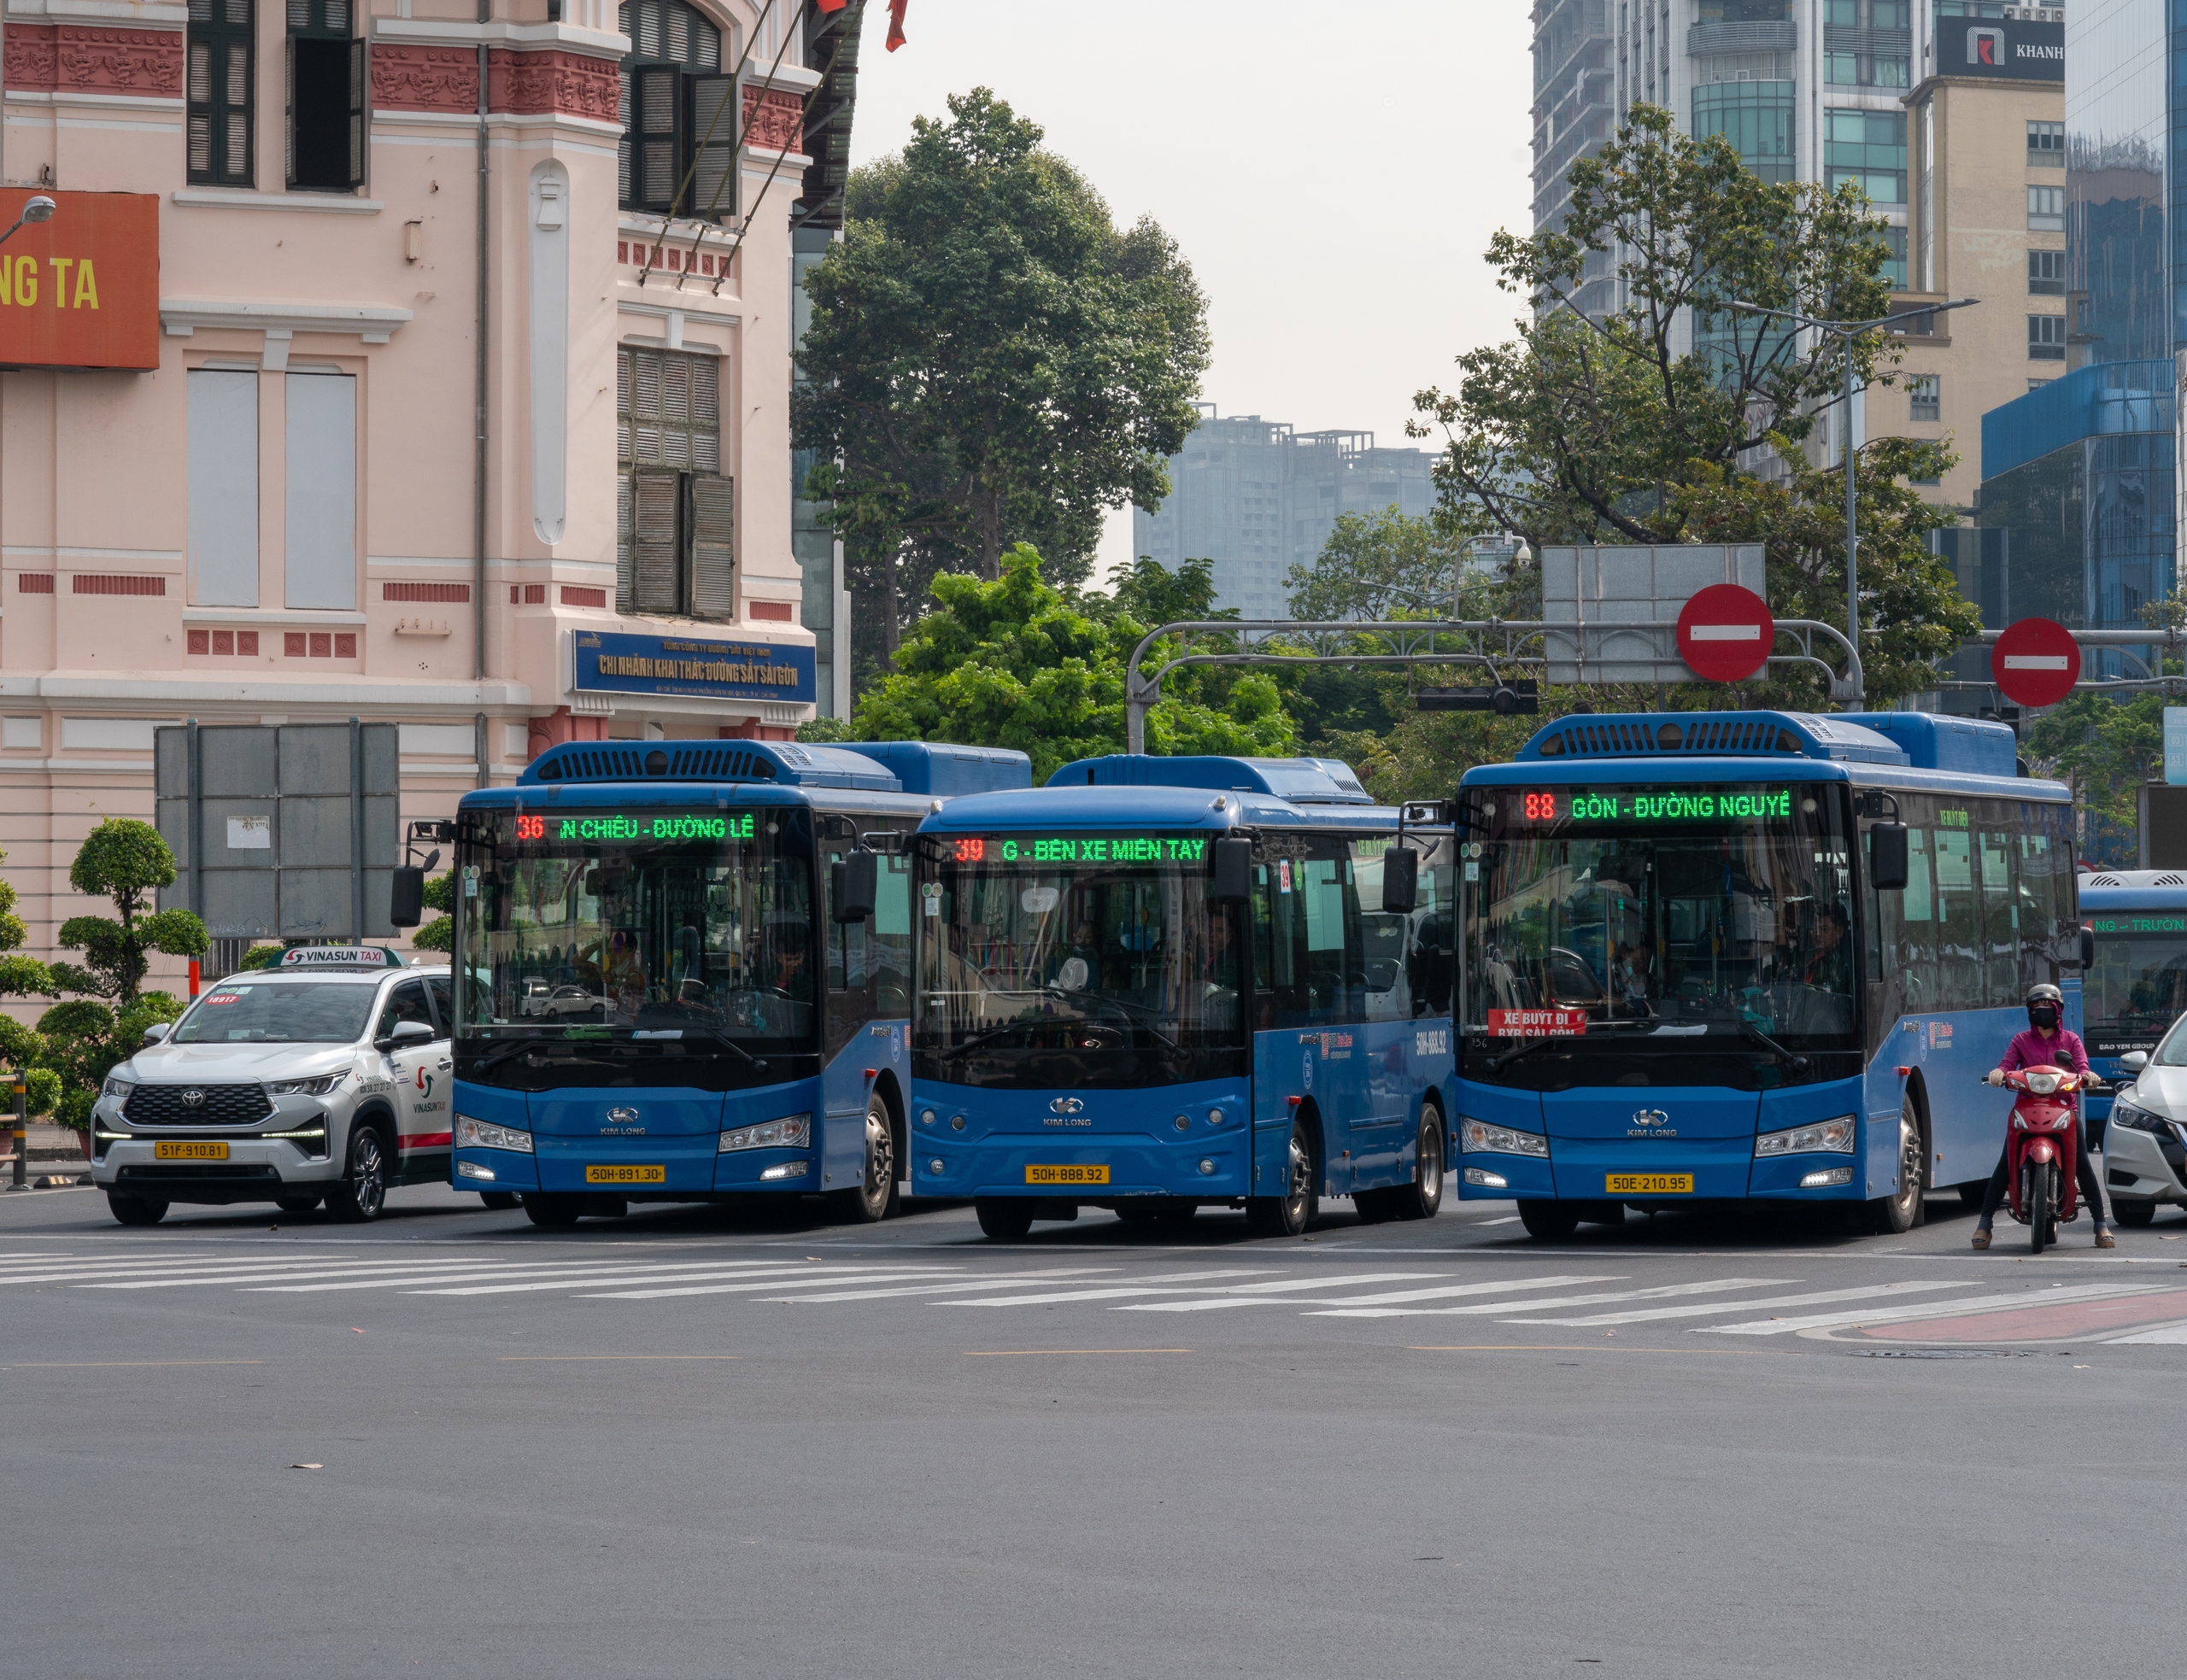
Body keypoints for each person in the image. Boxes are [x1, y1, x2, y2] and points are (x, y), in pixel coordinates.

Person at [1972, 982, 2112, 1250]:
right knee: (2005, 1164)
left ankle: (2100, 1224)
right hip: (2026, 1107)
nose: (2041, 1011)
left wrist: (2088, 1077)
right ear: (2029, 1012)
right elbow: (2006, 1064)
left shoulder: (2070, 1040)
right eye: (2036, 1007)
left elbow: (2082, 1068)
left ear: (2058, 1010)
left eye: (2047, 1007)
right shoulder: (2021, 1041)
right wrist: (1999, 1074)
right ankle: (1985, 1223)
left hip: (2063, 1109)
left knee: (2082, 1162)